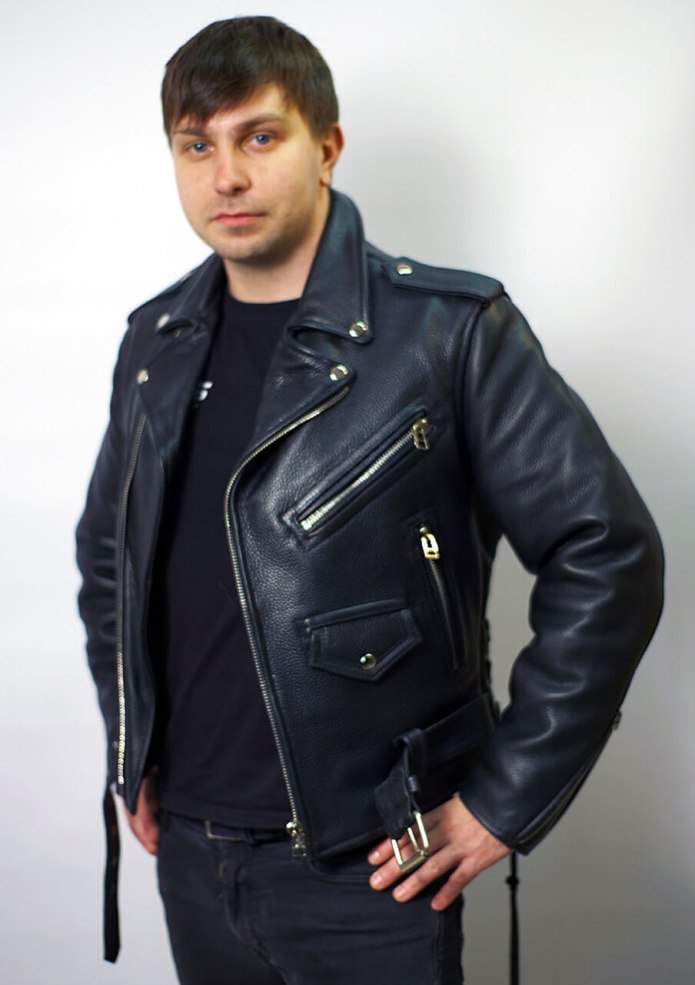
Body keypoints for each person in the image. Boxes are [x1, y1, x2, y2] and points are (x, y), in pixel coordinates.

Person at [76, 16, 663, 985]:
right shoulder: (155, 341)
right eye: (196, 146)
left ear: (326, 146)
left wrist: (502, 801)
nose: (226, 175)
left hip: (370, 866)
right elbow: (110, 559)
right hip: (189, 850)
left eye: (259, 136)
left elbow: (605, 550)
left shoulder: (449, 331)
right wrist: (127, 743)